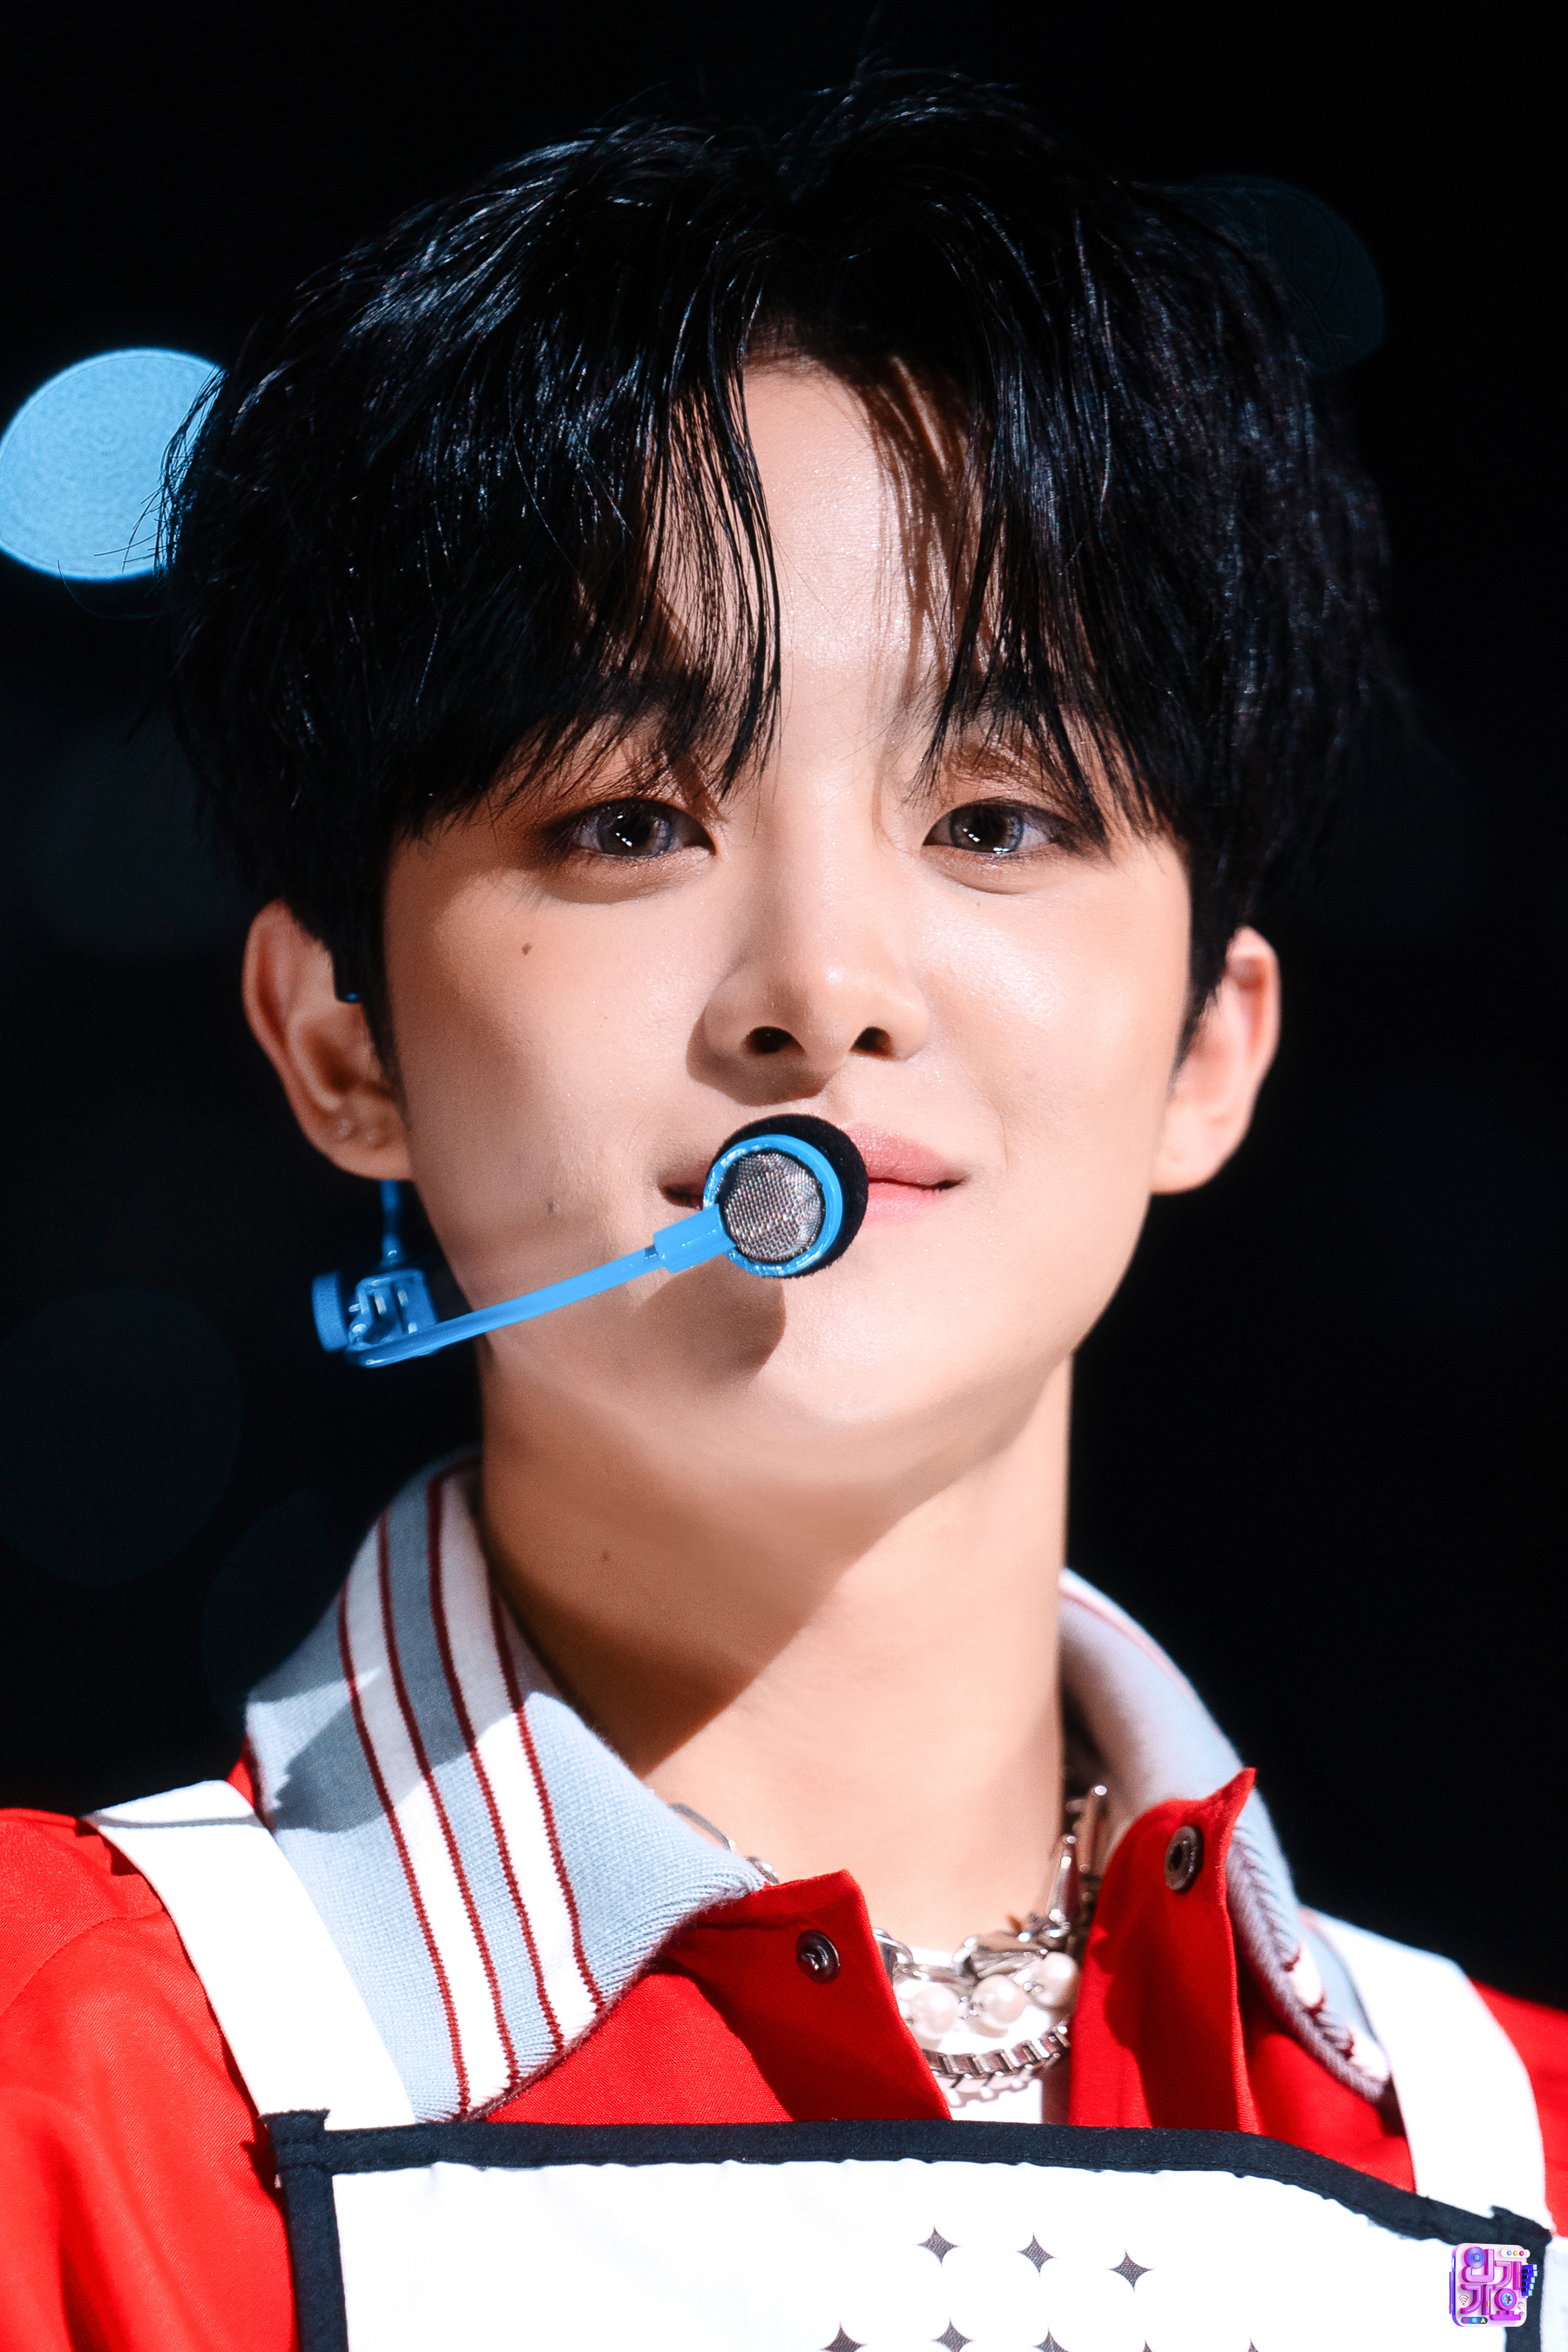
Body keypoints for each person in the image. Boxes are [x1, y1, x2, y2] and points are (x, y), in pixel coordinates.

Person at [2, 75, 1562, 2352]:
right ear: (343, 1040)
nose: (823, 986)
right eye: (630, 821)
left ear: (1210, 1047)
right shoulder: (60, 2080)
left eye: (1001, 817)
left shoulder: (1513, 2163)